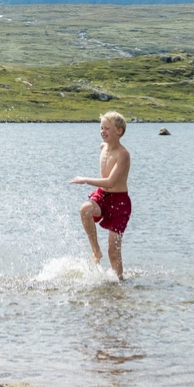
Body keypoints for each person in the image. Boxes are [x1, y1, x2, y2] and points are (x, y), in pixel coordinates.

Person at [70, 111, 131, 280]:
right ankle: (95, 249)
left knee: (113, 250)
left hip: (119, 202)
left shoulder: (123, 154)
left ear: (119, 131)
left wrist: (85, 180)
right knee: (85, 210)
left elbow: (110, 182)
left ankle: (118, 283)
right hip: (102, 196)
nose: (103, 131)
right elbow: (106, 186)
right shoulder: (103, 147)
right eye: (101, 128)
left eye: (107, 128)